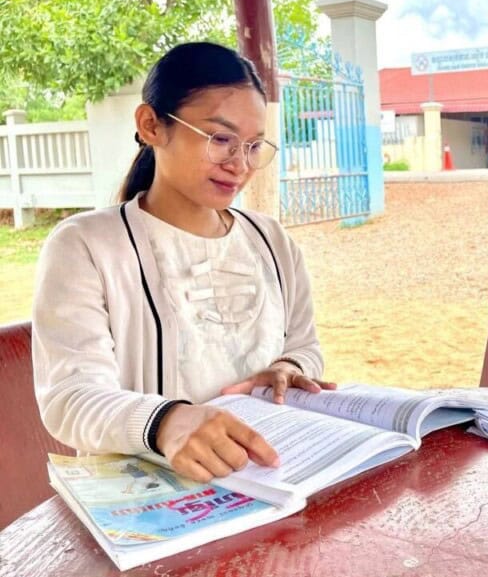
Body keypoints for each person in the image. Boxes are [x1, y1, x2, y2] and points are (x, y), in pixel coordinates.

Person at [33, 42, 336, 484]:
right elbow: (71, 398)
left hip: (269, 480)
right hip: (146, 502)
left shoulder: (272, 242)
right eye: (220, 138)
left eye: (253, 145)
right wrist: (167, 422)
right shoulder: (87, 246)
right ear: (151, 125)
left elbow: (305, 346)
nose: (240, 164)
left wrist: (290, 370)